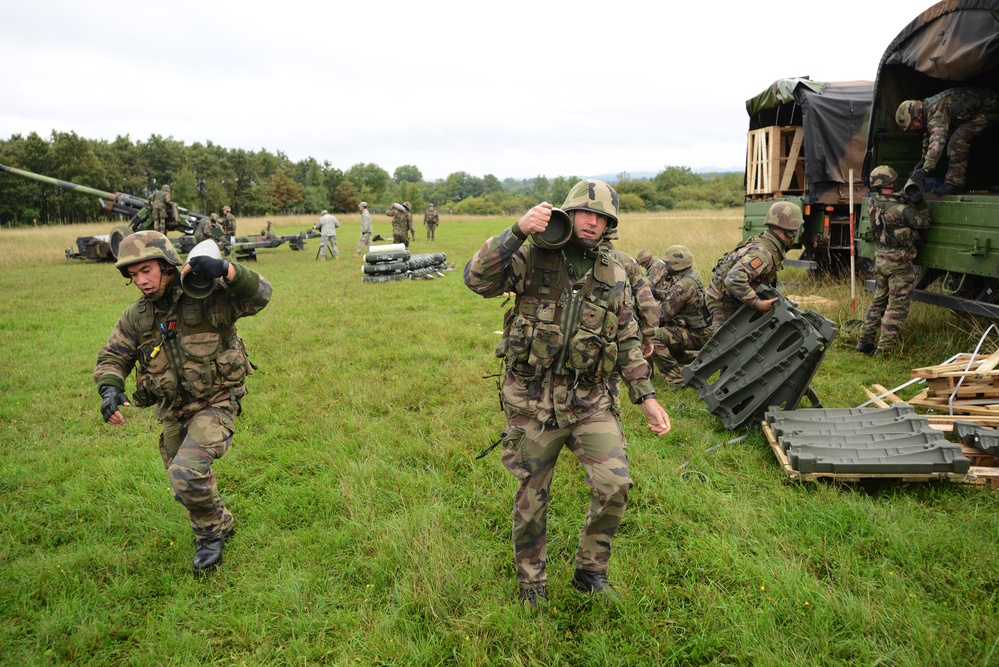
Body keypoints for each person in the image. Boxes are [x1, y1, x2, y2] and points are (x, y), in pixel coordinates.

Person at [464, 179, 671, 607]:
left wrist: (646, 396)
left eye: (601, 217)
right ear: (568, 214)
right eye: (584, 213)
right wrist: (517, 230)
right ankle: (531, 583)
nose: (591, 222)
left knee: (615, 485)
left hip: (590, 401)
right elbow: (476, 278)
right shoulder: (531, 255)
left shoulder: (615, 272)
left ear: (609, 224)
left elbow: (629, 337)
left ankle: (590, 572)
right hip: (531, 403)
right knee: (531, 497)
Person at [93, 230, 272, 571]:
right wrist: (110, 388)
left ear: (167, 265)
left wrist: (226, 269)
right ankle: (222, 521)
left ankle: (209, 537)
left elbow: (262, 295)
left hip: (217, 400)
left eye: (147, 270)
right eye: (134, 275)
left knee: (186, 472)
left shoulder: (206, 293)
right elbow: (113, 356)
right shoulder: (137, 316)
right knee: (184, 483)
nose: (141, 281)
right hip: (174, 411)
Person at [856, 166, 931, 357]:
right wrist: (920, 204)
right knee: (897, 306)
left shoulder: (873, 203)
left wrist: (904, 196)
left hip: (882, 260)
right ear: (890, 183)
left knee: (879, 301)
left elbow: (890, 201)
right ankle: (885, 349)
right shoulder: (901, 210)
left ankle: (865, 340)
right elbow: (923, 222)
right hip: (899, 264)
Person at [705, 201, 803, 328]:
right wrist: (758, 304)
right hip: (723, 302)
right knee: (726, 345)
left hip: (732, 298)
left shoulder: (767, 243)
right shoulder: (763, 254)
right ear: (790, 233)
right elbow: (733, 279)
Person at [896, 87, 999, 196]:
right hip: (980, 109)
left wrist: (926, 169)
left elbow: (938, 140)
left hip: (990, 107)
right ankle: (953, 183)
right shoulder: (927, 113)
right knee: (955, 137)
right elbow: (929, 139)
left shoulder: (936, 111)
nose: (912, 128)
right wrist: (922, 163)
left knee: (957, 140)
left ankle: (955, 185)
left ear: (918, 115)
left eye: (911, 124)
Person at [649, 245, 713, 385]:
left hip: (699, 333)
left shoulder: (682, 285)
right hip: (702, 329)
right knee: (668, 334)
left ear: (675, 266)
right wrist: (655, 293)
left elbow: (662, 315)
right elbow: (675, 298)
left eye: (667, 264)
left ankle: (676, 380)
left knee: (654, 336)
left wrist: (646, 308)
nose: (665, 267)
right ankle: (699, 362)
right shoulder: (690, 276)